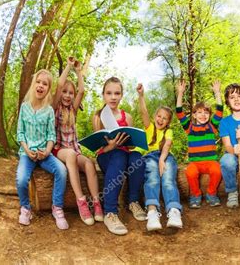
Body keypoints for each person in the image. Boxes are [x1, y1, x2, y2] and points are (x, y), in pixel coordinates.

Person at [92, 77, 146, 235]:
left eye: (117, 93)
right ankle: (110, 212)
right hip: (107, 156)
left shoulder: (127, 117)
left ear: (121, 95)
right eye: (109, 93)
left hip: (125, 154)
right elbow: (97, 150)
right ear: (103, 95)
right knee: (118, 156)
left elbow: (132, 144)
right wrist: (112, 145)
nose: (113, 97)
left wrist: (128, 142)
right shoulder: (98, 117)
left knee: (137, 157)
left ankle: (133, 202)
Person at [16, 69, 68, 229]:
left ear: (48, 89)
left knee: (61, 170)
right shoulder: (24, 107)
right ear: (33, 85)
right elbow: (20, 133)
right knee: (21, 179)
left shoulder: (49, 110)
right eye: (38, 82)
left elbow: (51, 135)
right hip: (27, 153)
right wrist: (27, 150)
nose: (41, 85)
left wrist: (46, 151)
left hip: (44, 154)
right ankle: (25, 208)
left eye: (45, 84)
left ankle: (57, 207)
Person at [52, 57, 103, 225]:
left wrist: (79, 71)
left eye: (70, 93)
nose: (67, 95)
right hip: (59, 150)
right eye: (65, 92)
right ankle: (81, 201)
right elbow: (59, 85)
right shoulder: (55, 107)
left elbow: (82, 90)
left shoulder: (73, 110)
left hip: (74, 149)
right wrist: (68, 66)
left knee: (89, 163)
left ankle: (95, 203)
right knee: (72, 155)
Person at [137, 83, 183, 231]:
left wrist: (162, 159)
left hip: (166, 156)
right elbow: (143, 112)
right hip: (150, 157)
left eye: (165, 118)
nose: (161, 120)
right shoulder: (149, 128)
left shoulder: (168, 132)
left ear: (168, 122)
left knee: (168, 180)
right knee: (152, 178)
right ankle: (152, 211)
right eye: (159, 116)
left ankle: (174, 211)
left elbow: (167, 146)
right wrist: (141, 96)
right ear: (154, 116)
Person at [176, 79, 223, 208]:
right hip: (195, 163)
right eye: (200, 112)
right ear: (194, 115)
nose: (203, 115)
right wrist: (180, 93)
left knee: (217, 170)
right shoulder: (189, 128)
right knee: (190, 172)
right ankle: (195, 195)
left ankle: (211, 193)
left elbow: (219, 111)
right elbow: (179, 112)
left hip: (210, 161)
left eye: (206, 112)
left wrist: (217, 93)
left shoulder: (211, 127)